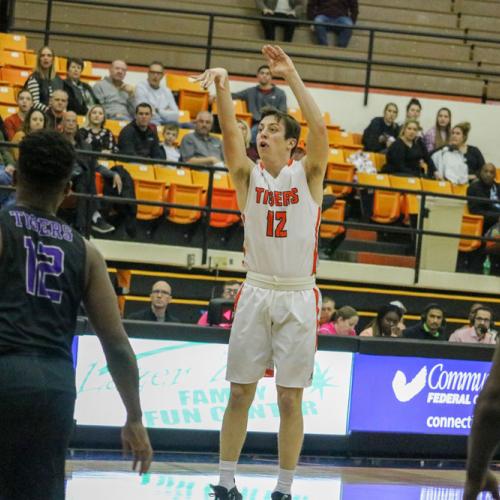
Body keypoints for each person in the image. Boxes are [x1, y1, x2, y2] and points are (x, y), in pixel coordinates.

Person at [194, 44, 329, 499]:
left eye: (274, 129)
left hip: (296, 294)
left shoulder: (307, 174)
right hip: (254, 292)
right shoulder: (248, 177)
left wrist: (291, 75)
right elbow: (230, 135)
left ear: (291, 142)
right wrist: (223, 86)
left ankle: (284, 489)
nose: (263, 134)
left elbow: (322, 129)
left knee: (290, 398)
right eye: (262, 129)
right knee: (239, 393)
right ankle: (225, 482)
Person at [0, 129, 152, 499]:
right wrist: (134, 417)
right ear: (69, 191)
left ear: (16, 178)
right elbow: (116, 344)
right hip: (55, 386)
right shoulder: (87, 252)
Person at [76, 105, 138, 238]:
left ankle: (125, 212)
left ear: (104, 117)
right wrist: (99, 153)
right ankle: (99, 215)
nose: (97, 115)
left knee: (122, 174)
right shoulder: (81, 132)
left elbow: (114, 151)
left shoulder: (108, 133)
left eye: (100, 113)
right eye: (94, 113)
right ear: (89, 115)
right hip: (90, 166)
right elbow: (86, 153)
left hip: (107, 166)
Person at [61, 111, 115, 235]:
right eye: (67, 121)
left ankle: (81, 225)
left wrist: (113, 174)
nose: (70, 124)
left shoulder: (85, 146)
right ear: (62, 124)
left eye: (73, 121)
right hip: (63, 177)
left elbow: (95, 165)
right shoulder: (57, 141)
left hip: (80, 180)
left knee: (85, 177)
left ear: (77, 125)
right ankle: (93, 217)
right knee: (86, 175)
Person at [231, 65, 287, 135]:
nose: (264, 75)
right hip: (256, 124)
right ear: (257, 75)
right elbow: (234, 96)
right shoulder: (250, 92)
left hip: (273, 124)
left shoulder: (280, 93)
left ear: (271, 76)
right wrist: (217, 95)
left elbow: (283, 112)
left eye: (267, 74)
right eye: (262, 73)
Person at [466, 163, 500, 276]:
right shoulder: (474, 188)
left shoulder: (498, 187)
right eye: (485, 171)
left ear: (495, 175)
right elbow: (475, 211)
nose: (488, 175)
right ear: (480, 172)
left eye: (491, 172)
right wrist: (496, 216)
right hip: (484, 222)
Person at [134, 61, 179, 126]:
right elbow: (145, 112)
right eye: (153, 72)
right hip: (149, 122)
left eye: (158, 73)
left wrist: (158, 110)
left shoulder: (167, 91)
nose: (155, 75)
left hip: (166, 122)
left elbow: (176, 115)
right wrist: (166, 111)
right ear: (148, 73)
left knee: (186, 125)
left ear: (162, 75)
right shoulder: (141, 87)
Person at [24, 45, 64, 113]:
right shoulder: (34, 78)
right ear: (39, 59)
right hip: (38, 116)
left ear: (53, 59)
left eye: (49, 55)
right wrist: (50, 112)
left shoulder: (59, 80)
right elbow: (34, 103)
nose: (46, 58)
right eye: (43, 55)